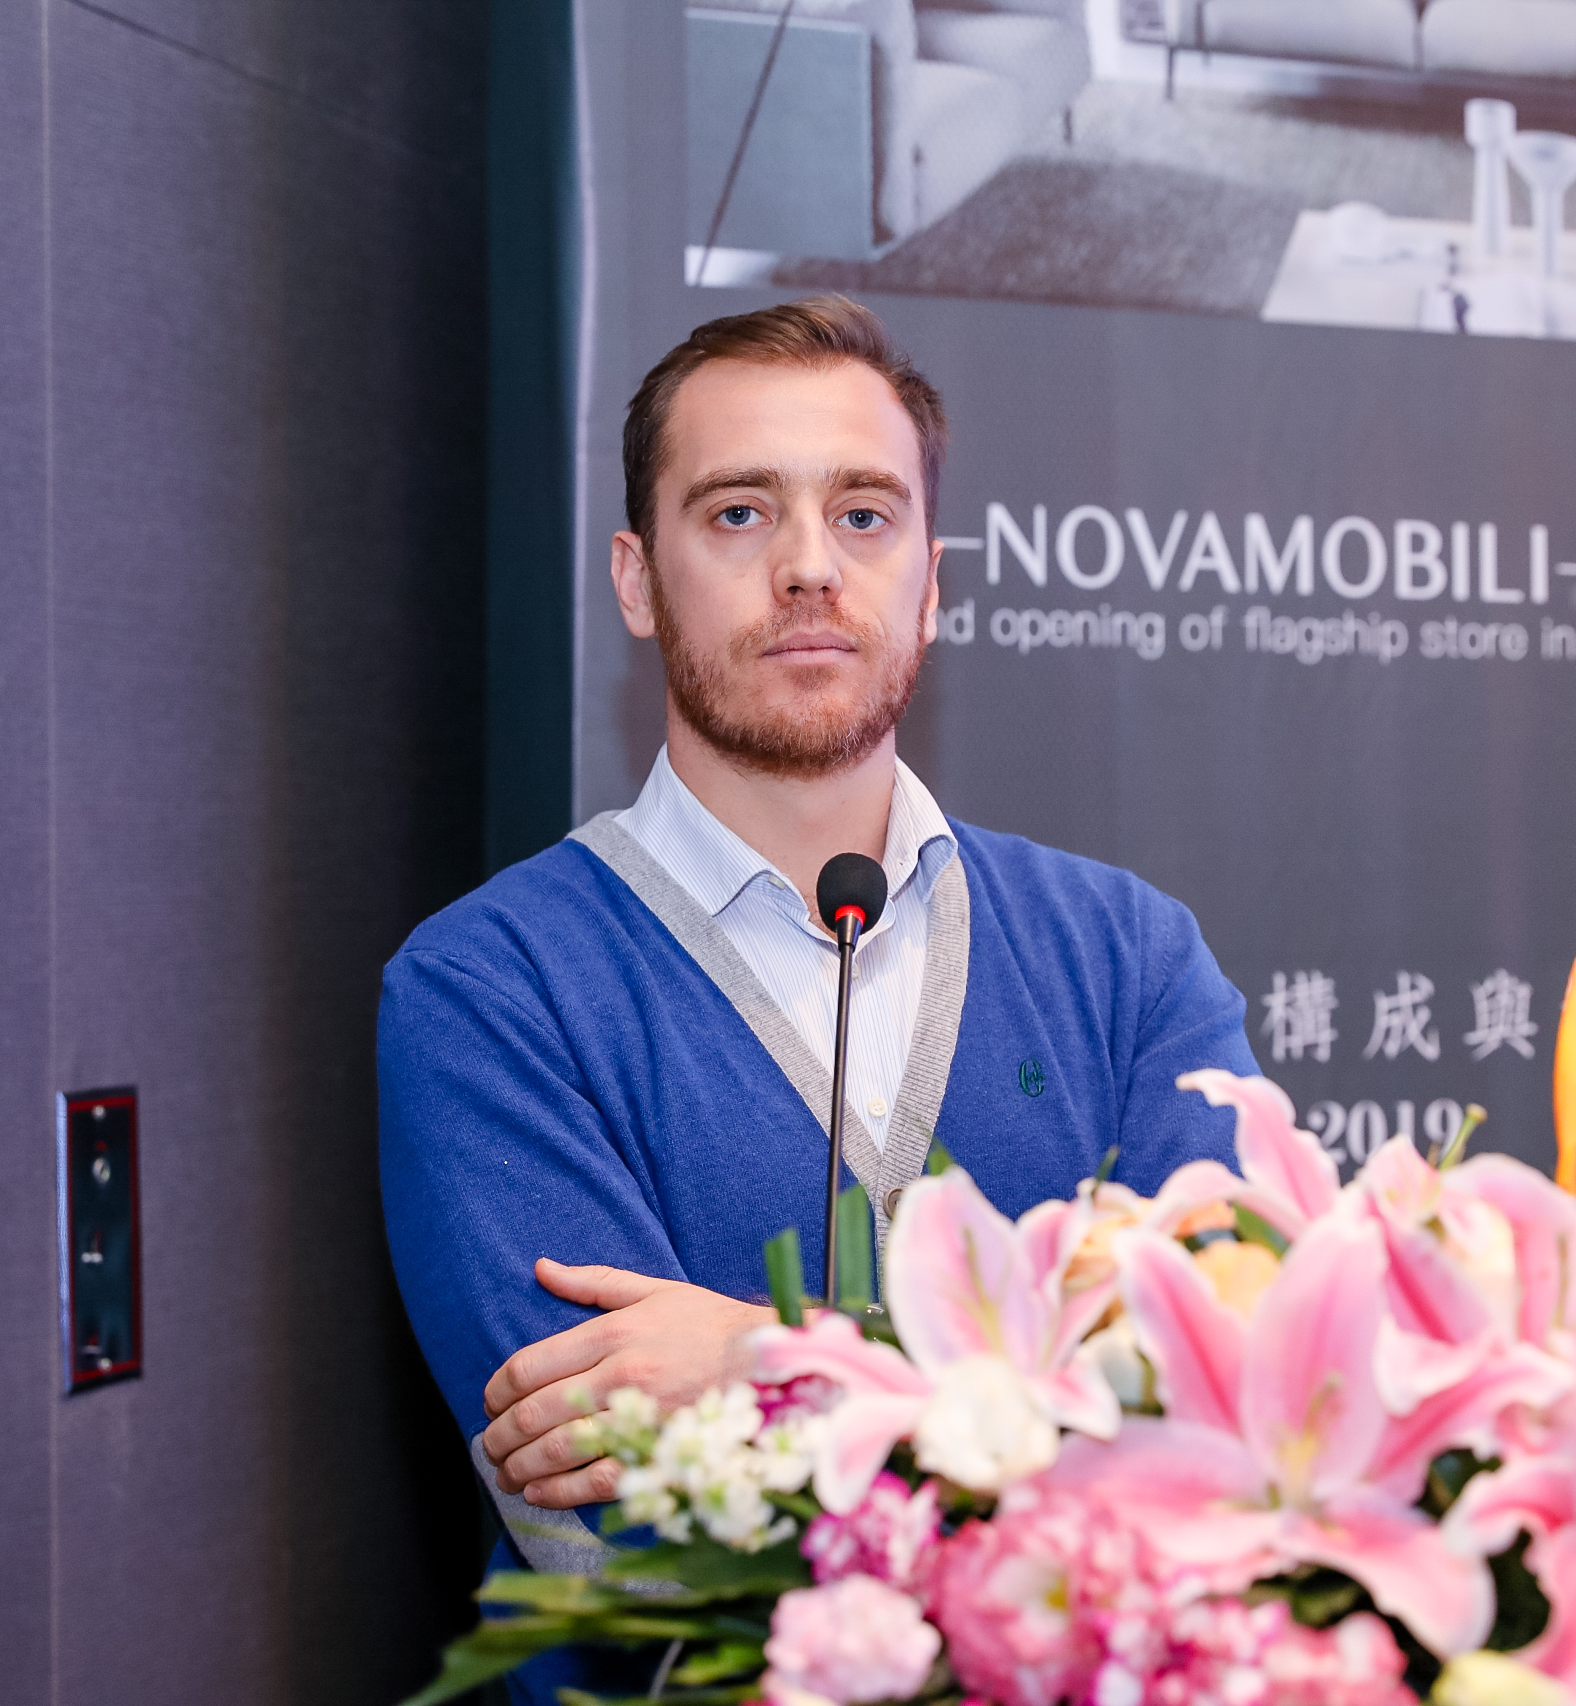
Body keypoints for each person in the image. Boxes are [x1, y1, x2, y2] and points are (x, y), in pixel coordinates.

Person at [377, 295, 1258, 1591]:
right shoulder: (490, 991)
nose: (808, 566)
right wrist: (1051, 1407)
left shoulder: (1130, 960)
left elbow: (1233, 1418)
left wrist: (771, 1365)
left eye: (863, 515)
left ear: (931, 584)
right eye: (740, 513)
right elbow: (631, 1553)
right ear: (637, 580)